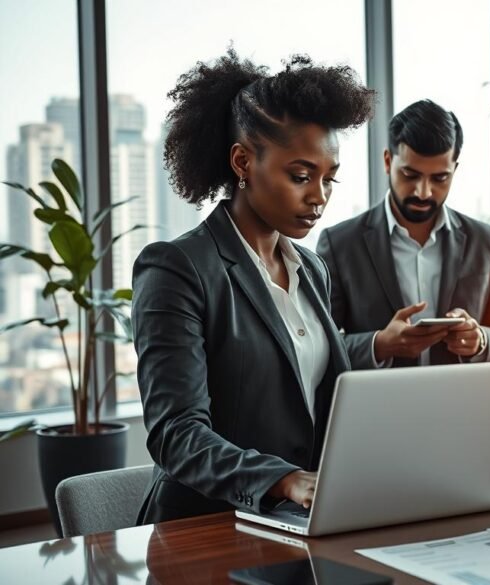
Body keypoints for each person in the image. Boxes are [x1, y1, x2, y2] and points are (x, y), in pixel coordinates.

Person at [132, 49, 375, 524]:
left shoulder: (312, 268)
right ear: (243, 162)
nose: (319, 197)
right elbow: (176, 434)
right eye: (301, 176)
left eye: (329, 179)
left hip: (303, 521)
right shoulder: (177, 268)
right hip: (205, 528)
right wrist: (282, 480)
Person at [317, 99, 490, 367]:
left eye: (440, 178)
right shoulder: (340, 244)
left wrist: (481, 339)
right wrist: (378, 344)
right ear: (388, 161)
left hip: (465, 406)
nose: (423, 192)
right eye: (410, 175)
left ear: (454, 170)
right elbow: (318, 343)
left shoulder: (486, 241)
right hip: (382, 406)